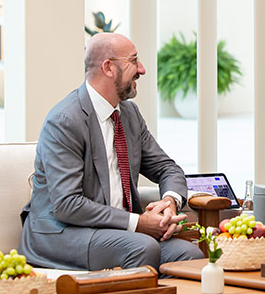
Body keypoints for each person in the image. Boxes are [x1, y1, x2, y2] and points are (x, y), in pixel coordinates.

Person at [19, 33, 204, 271]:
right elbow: (67, 204)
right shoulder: (66, 120)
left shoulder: (129, 114)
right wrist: (138, 223)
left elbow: (167, 168)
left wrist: (170, 202)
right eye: (133, 60)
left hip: (117, 233)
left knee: (189, 254)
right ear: (108, 67)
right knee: (142, 247)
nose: (142, 69)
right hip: (62, 233)